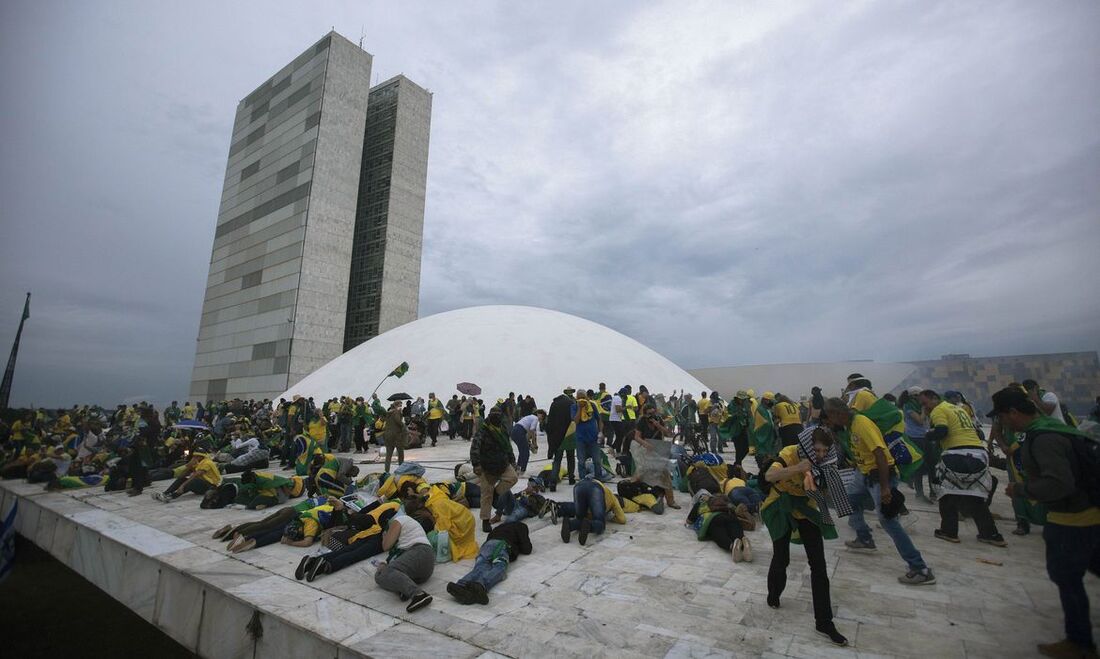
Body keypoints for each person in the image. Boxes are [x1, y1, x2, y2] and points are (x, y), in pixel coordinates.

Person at [991, 387, 1100, 659]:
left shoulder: (1043, 438)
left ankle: (1080, 642)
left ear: (1013, 413)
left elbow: (1058, 483)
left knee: (1066, 577)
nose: (1003, 422)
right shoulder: (1056, 427)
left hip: (1073, 519)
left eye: (1003, 416)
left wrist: (1023, 490)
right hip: (1086, 514)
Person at [823, 398, 935, 585]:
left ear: (837, 414)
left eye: (830, 417)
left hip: (879, 475)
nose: (830, 421)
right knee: (848, 500)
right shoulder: (849, 425)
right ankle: (864, 538)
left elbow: (881, 455)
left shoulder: (861, 423)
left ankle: (919, 568)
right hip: (863, 473)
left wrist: (885, 487)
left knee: (887, 520)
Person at [761, 426, 847, 646]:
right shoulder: (790, 453)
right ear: (808, 446)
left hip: (805, 508)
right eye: (816, 450)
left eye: (824, 451)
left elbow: (825, 494)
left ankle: (824, 621)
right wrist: (798, 468)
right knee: (782, 556)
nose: (820, 455)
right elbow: (770, 475)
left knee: (818, 565)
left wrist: (826, 482)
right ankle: (774, 594)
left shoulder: (825, 462)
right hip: (780, 505)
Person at [919, 389, 1005, 547]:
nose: (925, 407)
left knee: (946, 494)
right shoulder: (959, 408)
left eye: (925, 403)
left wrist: (927, 434)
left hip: (956, 454)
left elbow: (941, 431)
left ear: (934, 398)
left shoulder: (938, 410)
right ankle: (991, 534)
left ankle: (948, 531)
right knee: (975, 496)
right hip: (978, 454)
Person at [447, 521, 532, 605]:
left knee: (480, 567)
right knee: (499, 567)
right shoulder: (521, 526)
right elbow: (527, 549)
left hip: (486, 546)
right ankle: (481, 585)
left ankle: (461, 585)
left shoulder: (499, 527)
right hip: (501, 545)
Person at [373, 512, 435, 612]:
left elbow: (386, 546)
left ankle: (418, 594)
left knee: (385, 572)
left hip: (419, 552)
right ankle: (404, 589)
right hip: (424, 567)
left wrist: (384, 536)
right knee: (379, 576)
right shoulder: (409, 523)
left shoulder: (399, 520)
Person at [471, 407, 518, 532]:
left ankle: (497, 494)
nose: (496, 417)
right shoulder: (483, 430)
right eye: (494, 415)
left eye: (498, 415)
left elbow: (508, 446)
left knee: (513, 478)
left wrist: (512, 461)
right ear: (490, 416)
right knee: (486, 495)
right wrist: (476, 464)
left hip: (502, 463)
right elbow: (475, 447)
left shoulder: (503, 429)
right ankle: (485, 521)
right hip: (487, 467)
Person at [154, 453, 222, 502]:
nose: (194, 458)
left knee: (193, 481)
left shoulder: (207, 463)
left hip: (211, 486)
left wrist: (182, 486)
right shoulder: (198, 462)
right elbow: (182, 475)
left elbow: (196, 475)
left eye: (195, 457)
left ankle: (171, 496)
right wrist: (190, 465)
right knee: (182, 479)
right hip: (202, 484)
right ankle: (165, 493)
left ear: (201, 456)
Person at [545, 388, 577, 491]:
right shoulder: (571, 403)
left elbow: (549, 422)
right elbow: (574, 419)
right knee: (570, 457)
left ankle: (553, 482)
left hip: (557, 437)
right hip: (569, 434)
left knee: (557, 460)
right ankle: (571, 478)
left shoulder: (554, 404)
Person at [571, 389, 604, 481]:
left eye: (583, 398)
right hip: (580, 439)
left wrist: (601, 432)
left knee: (597, 461)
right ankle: (582, 479)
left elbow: (599, 419)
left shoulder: (592, 406)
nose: (582, 400)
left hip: (593, 438)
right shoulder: (574, 407)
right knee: (581, 461)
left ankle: (599, 479)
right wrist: (580, 408)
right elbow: (576, 421)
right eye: (579, 398)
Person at [510, 410, 545, 474]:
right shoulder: (535, 418)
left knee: (522, 450)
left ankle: (518, 467)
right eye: (542, 416)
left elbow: (529, 433)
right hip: (519, 431)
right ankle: (522, 470)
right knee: (526, 452)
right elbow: (532, 431)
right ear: (538, 414)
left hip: (514, 431)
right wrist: (534, 444)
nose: (541, 418)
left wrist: (529, 442)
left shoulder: (529, 417)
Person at [382, 401, 408, 473]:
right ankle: (401, 470)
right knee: (400, 454)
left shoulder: (389, 412)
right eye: (400, 405)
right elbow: (398, 421)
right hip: (396, 435)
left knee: (388, 455)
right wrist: (403, 425)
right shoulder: (396, 412)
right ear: (396, 405)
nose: (401, 406)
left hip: (388, 435)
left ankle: (386, 471)